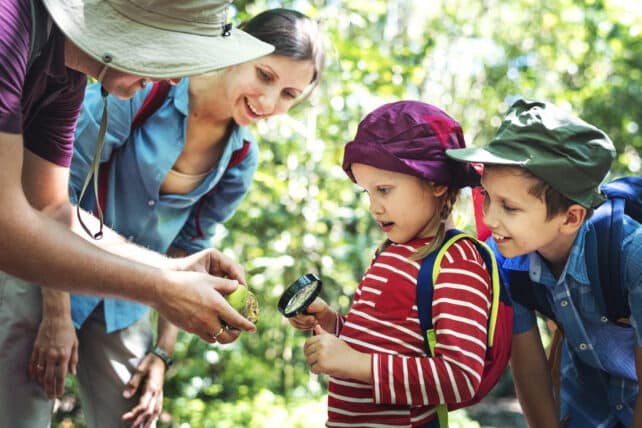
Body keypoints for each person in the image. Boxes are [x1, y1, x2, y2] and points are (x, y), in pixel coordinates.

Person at [22, 8, 324, 427]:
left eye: (290, 94)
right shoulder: (144, 88)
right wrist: (56, 315)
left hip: (129, 304)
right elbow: (51, 193)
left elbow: (190, 249)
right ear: (236, 52)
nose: (270, 102)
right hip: (46, 273)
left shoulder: (240, 157)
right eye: (265, 76)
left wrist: (162, 354)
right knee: (21, 412)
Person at [287, 101, 493, 427]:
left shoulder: (456, 261)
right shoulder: (390, 254)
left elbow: (460, 377)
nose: (373, 206)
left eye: (384, 189)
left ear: (437, 182)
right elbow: (383, 342)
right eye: (368, 192)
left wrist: (355, 364)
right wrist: (331, 323)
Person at [446, 98, 642, 427]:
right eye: (487, 197)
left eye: (509, 207)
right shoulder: (503, 260)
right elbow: (530, 370)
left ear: (571, 218)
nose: (489, 218)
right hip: (587, 404)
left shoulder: (630, 254)